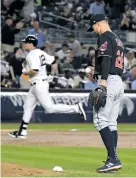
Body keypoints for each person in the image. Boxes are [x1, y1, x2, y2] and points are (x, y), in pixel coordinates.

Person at [8, 35, 86, 138]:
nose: (24, 44)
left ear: (31, 44)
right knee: (27, 107)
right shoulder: (41, 52)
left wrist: (26, 72)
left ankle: (76, 108)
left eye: (26, 42)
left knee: (50, 108)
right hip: (37, 84)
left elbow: (35, 71)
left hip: (39, 84)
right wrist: (52, 74)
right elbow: (54, 62)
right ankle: (22, 131)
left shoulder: (32, 54)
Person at [87, 14, 124, 173]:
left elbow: (107, 59)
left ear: (98, 24)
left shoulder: (104, 36)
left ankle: (113, 158)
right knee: (111, 123)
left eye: (93, 27)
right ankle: (111, 160)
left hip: (108, 82)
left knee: (99, 120)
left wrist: (102, 82)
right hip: (118, 82)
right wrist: (97, 75)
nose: (94, 31)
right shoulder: (117, 39)